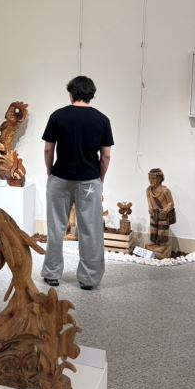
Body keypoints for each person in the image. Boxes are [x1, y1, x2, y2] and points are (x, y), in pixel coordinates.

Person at [41, 75, 113, 290]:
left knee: (56, 227)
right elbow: (106, 155)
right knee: (91, 230)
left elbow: (48, 149)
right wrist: (100, 178)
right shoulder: (102, 119)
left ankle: (52, 274)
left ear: (71, 93)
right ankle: (89, 279)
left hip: (60, 178)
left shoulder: (58, 116)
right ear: (91, 94)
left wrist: (50, 171)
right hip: (89, 181)